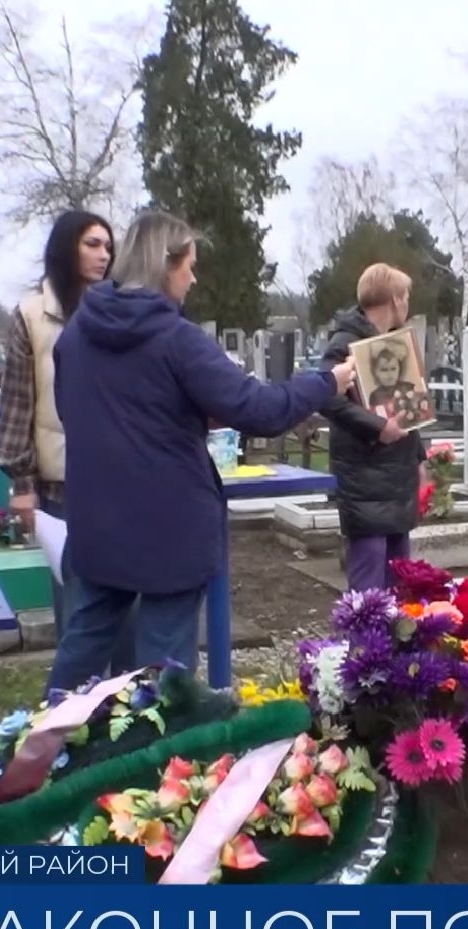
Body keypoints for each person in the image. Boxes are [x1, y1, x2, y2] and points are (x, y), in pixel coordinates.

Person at [45, 210, 356, 692]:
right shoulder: (176, 338)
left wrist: (176, 415)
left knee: (84, 641)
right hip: (169, 527)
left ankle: (54, 732)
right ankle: (158, 739)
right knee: (162, 674)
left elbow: (80, 413)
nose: (193, 278)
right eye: (189, 265)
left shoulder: (76, 335)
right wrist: (326, 382)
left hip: (98, 520)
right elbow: (259, 410)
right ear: (165, 264)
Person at [0, 209, 119, 649]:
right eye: (92, 244)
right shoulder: (32, 316)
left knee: (127, 600)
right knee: (76, 603)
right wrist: (22, 483)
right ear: (67, 248)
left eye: (108, 246)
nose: (103, 255)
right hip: (62, 483)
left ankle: (131, 687)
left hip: (120, 476)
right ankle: (80, 689)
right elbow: (17, 403)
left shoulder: (121, 310)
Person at [318, 264, 427, 593]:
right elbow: (326, 396)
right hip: (365, 477)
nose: (407, 304)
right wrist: (378, 427)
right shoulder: (345, 342)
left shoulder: (394, 342)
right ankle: (365, 630)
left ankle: (395, 630)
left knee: (399, 582)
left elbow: (409, 408)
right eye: (405, 297)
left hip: (397, 475)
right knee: (369, 588)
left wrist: (419, 458)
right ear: (394, 300)